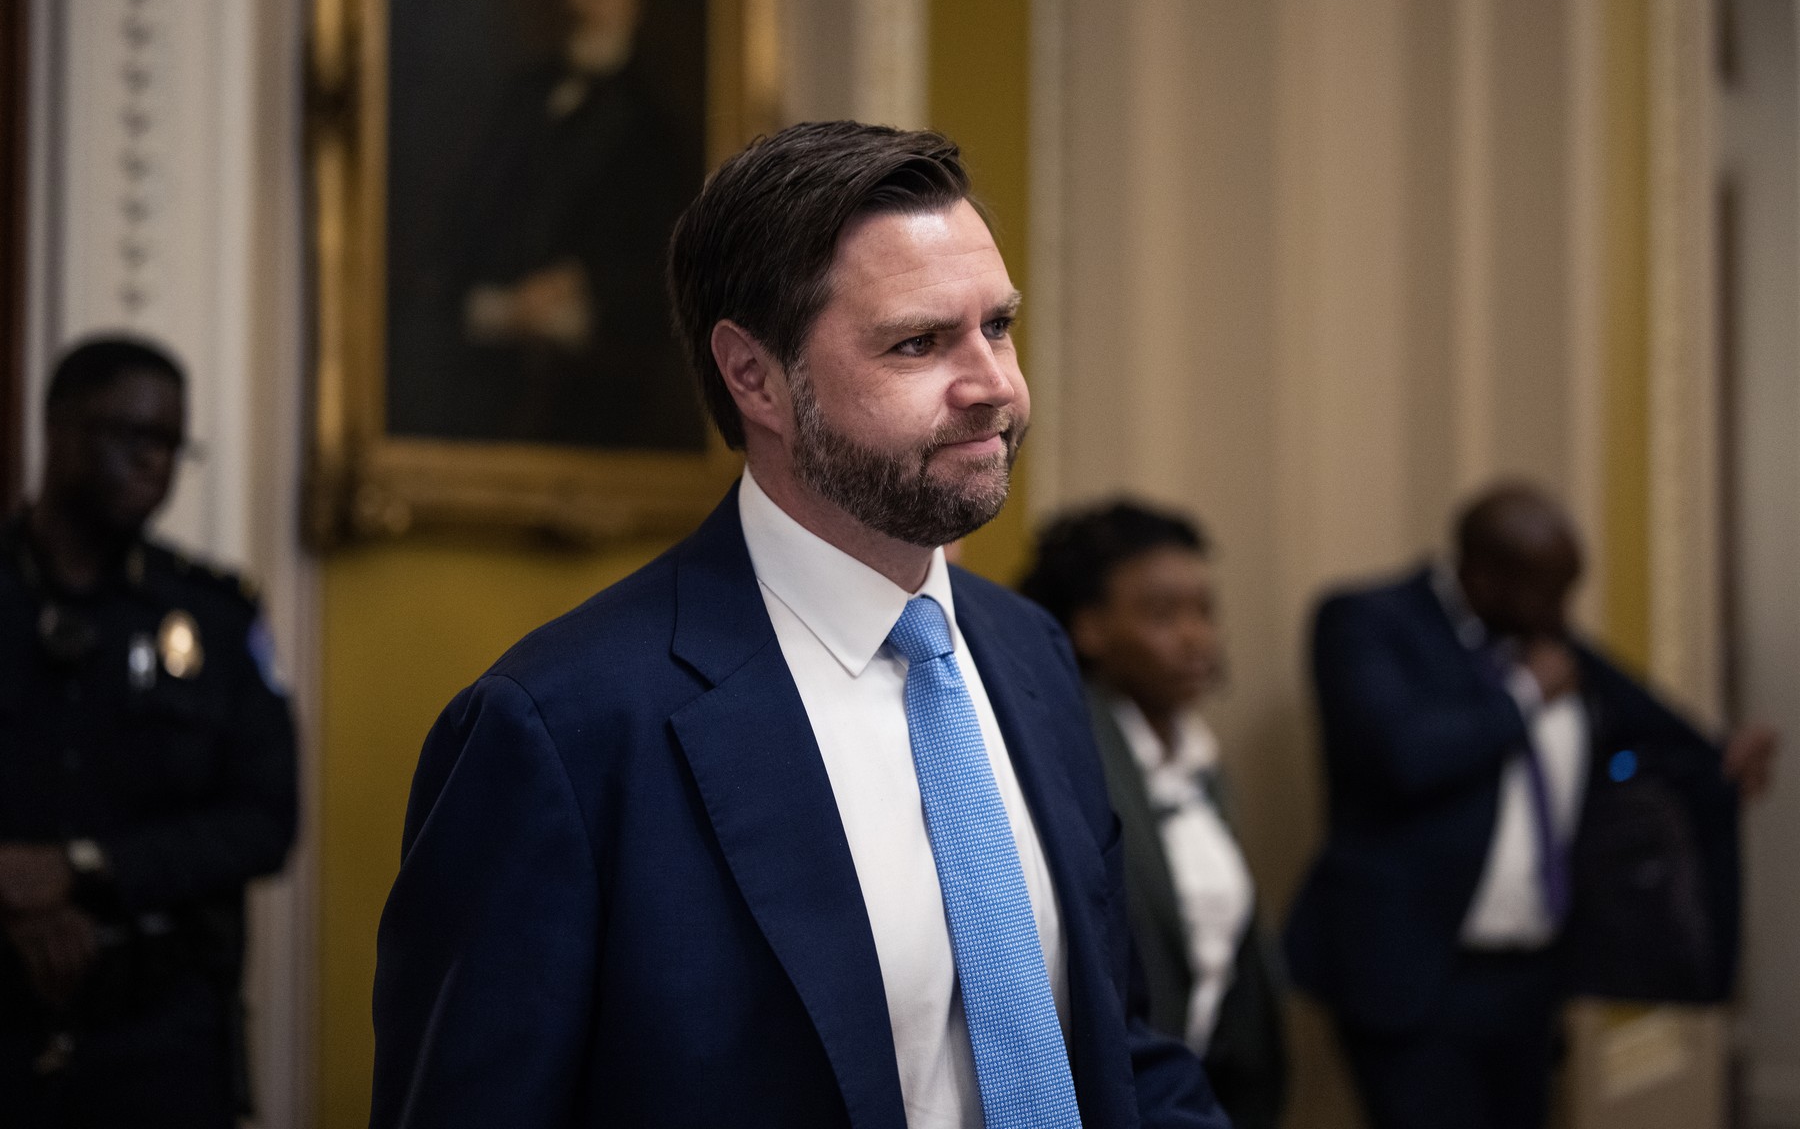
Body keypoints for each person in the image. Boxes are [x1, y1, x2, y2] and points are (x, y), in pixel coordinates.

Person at [370, 122, 1227, 1128]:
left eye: (997, 326)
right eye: (918, 342)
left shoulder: (1027, 652)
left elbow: (1112, 1047)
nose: (994, 384)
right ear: (755, 377)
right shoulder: (561, 730)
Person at [1284, 482, 1776, 1129]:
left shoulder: (1549, 643)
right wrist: (1520, 698)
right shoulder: (1368, 623)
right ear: (1483, 580)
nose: (1563, 612)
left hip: (1531, 981)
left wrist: (1724, 759)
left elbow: (1653, 732)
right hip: (1417, 980)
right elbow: (1401, 758)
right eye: (1549, 592)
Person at [0, 336, 298, 1128]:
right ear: (57, 427)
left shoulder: (214, 615)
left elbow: (266, 821)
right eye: (131, 437)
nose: (153, 464)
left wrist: (81, 870)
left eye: (171, 445)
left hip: (159, 1038)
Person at [1020, 501, 1289, 1129]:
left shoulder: (1196, 755)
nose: (1197, 637)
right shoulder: (1071, 750)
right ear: (1088, 628)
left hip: (1198, 1089)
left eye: (1204, 612)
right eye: (1164, 615)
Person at [396, 0, 705, 449]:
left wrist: (581, 284)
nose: (578, 2)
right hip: (492, 375)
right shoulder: (523, 100)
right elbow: (463, 230)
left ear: (632, 1)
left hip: (603, 396)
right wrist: (496, 301)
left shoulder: (658, 127)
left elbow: (673, 269)